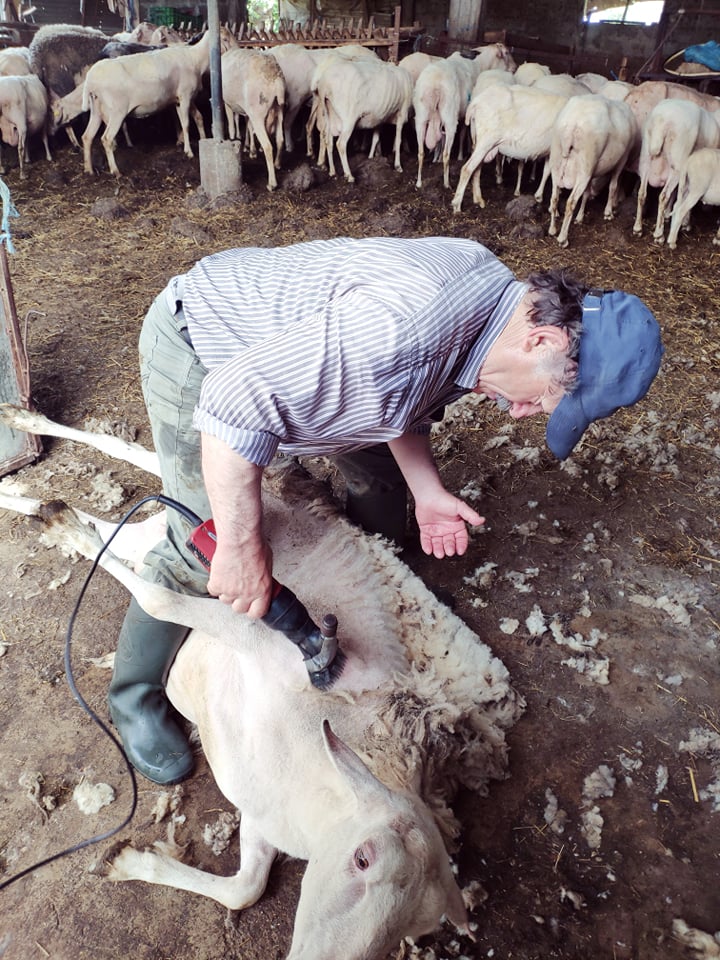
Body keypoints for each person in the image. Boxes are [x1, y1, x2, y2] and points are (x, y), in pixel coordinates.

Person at [108, 236, 664, 785]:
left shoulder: (495, 314)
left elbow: (409, 398)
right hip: (207, 350)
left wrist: (427, 489)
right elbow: (233, 402)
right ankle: (134, 696)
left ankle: (378, 588)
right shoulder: (401, 334)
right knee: (198, 538)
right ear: (540, 338)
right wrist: (240, 547)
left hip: (309, 364)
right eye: (543, 399)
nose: (522, 414)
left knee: (381, 480)